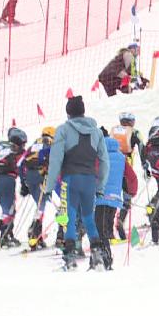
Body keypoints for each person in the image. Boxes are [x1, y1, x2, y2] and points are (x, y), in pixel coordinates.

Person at [46, 96, 108, 270]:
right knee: (89, 217)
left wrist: (50, 186)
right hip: (89, 179)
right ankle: (97, 256)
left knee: (70, 217)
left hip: (70, 179)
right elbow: (104, 161)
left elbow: (56, 159)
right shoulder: (96, 132)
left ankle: (70, 258)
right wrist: (100, 185)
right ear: (83, 111)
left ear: (68, 113)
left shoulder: (63, 130)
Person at [0, 127, 27, 249]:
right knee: (9, 212)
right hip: (8, 180)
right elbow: (20, 167)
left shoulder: (0, 147)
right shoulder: (15, 151)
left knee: (7, 210)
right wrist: (25, 183)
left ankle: (5, 236)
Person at [95, 135, 129, 269]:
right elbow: (130, 177)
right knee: (105, 226)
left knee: (99, 230)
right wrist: (129, 192)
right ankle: (99, 260)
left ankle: (106, 260)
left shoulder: (98, 158)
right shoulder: (122, 158)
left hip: (100, 198)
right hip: (114, 198)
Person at [22, 126, 53, 250]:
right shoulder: (50, 142)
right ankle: (34, 233)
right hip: (41, 175)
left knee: (40, 205)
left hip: (29, 176)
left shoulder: (34, 143)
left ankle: (37, 236)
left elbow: (22, 162)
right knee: (42, 206)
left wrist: (23, 182)